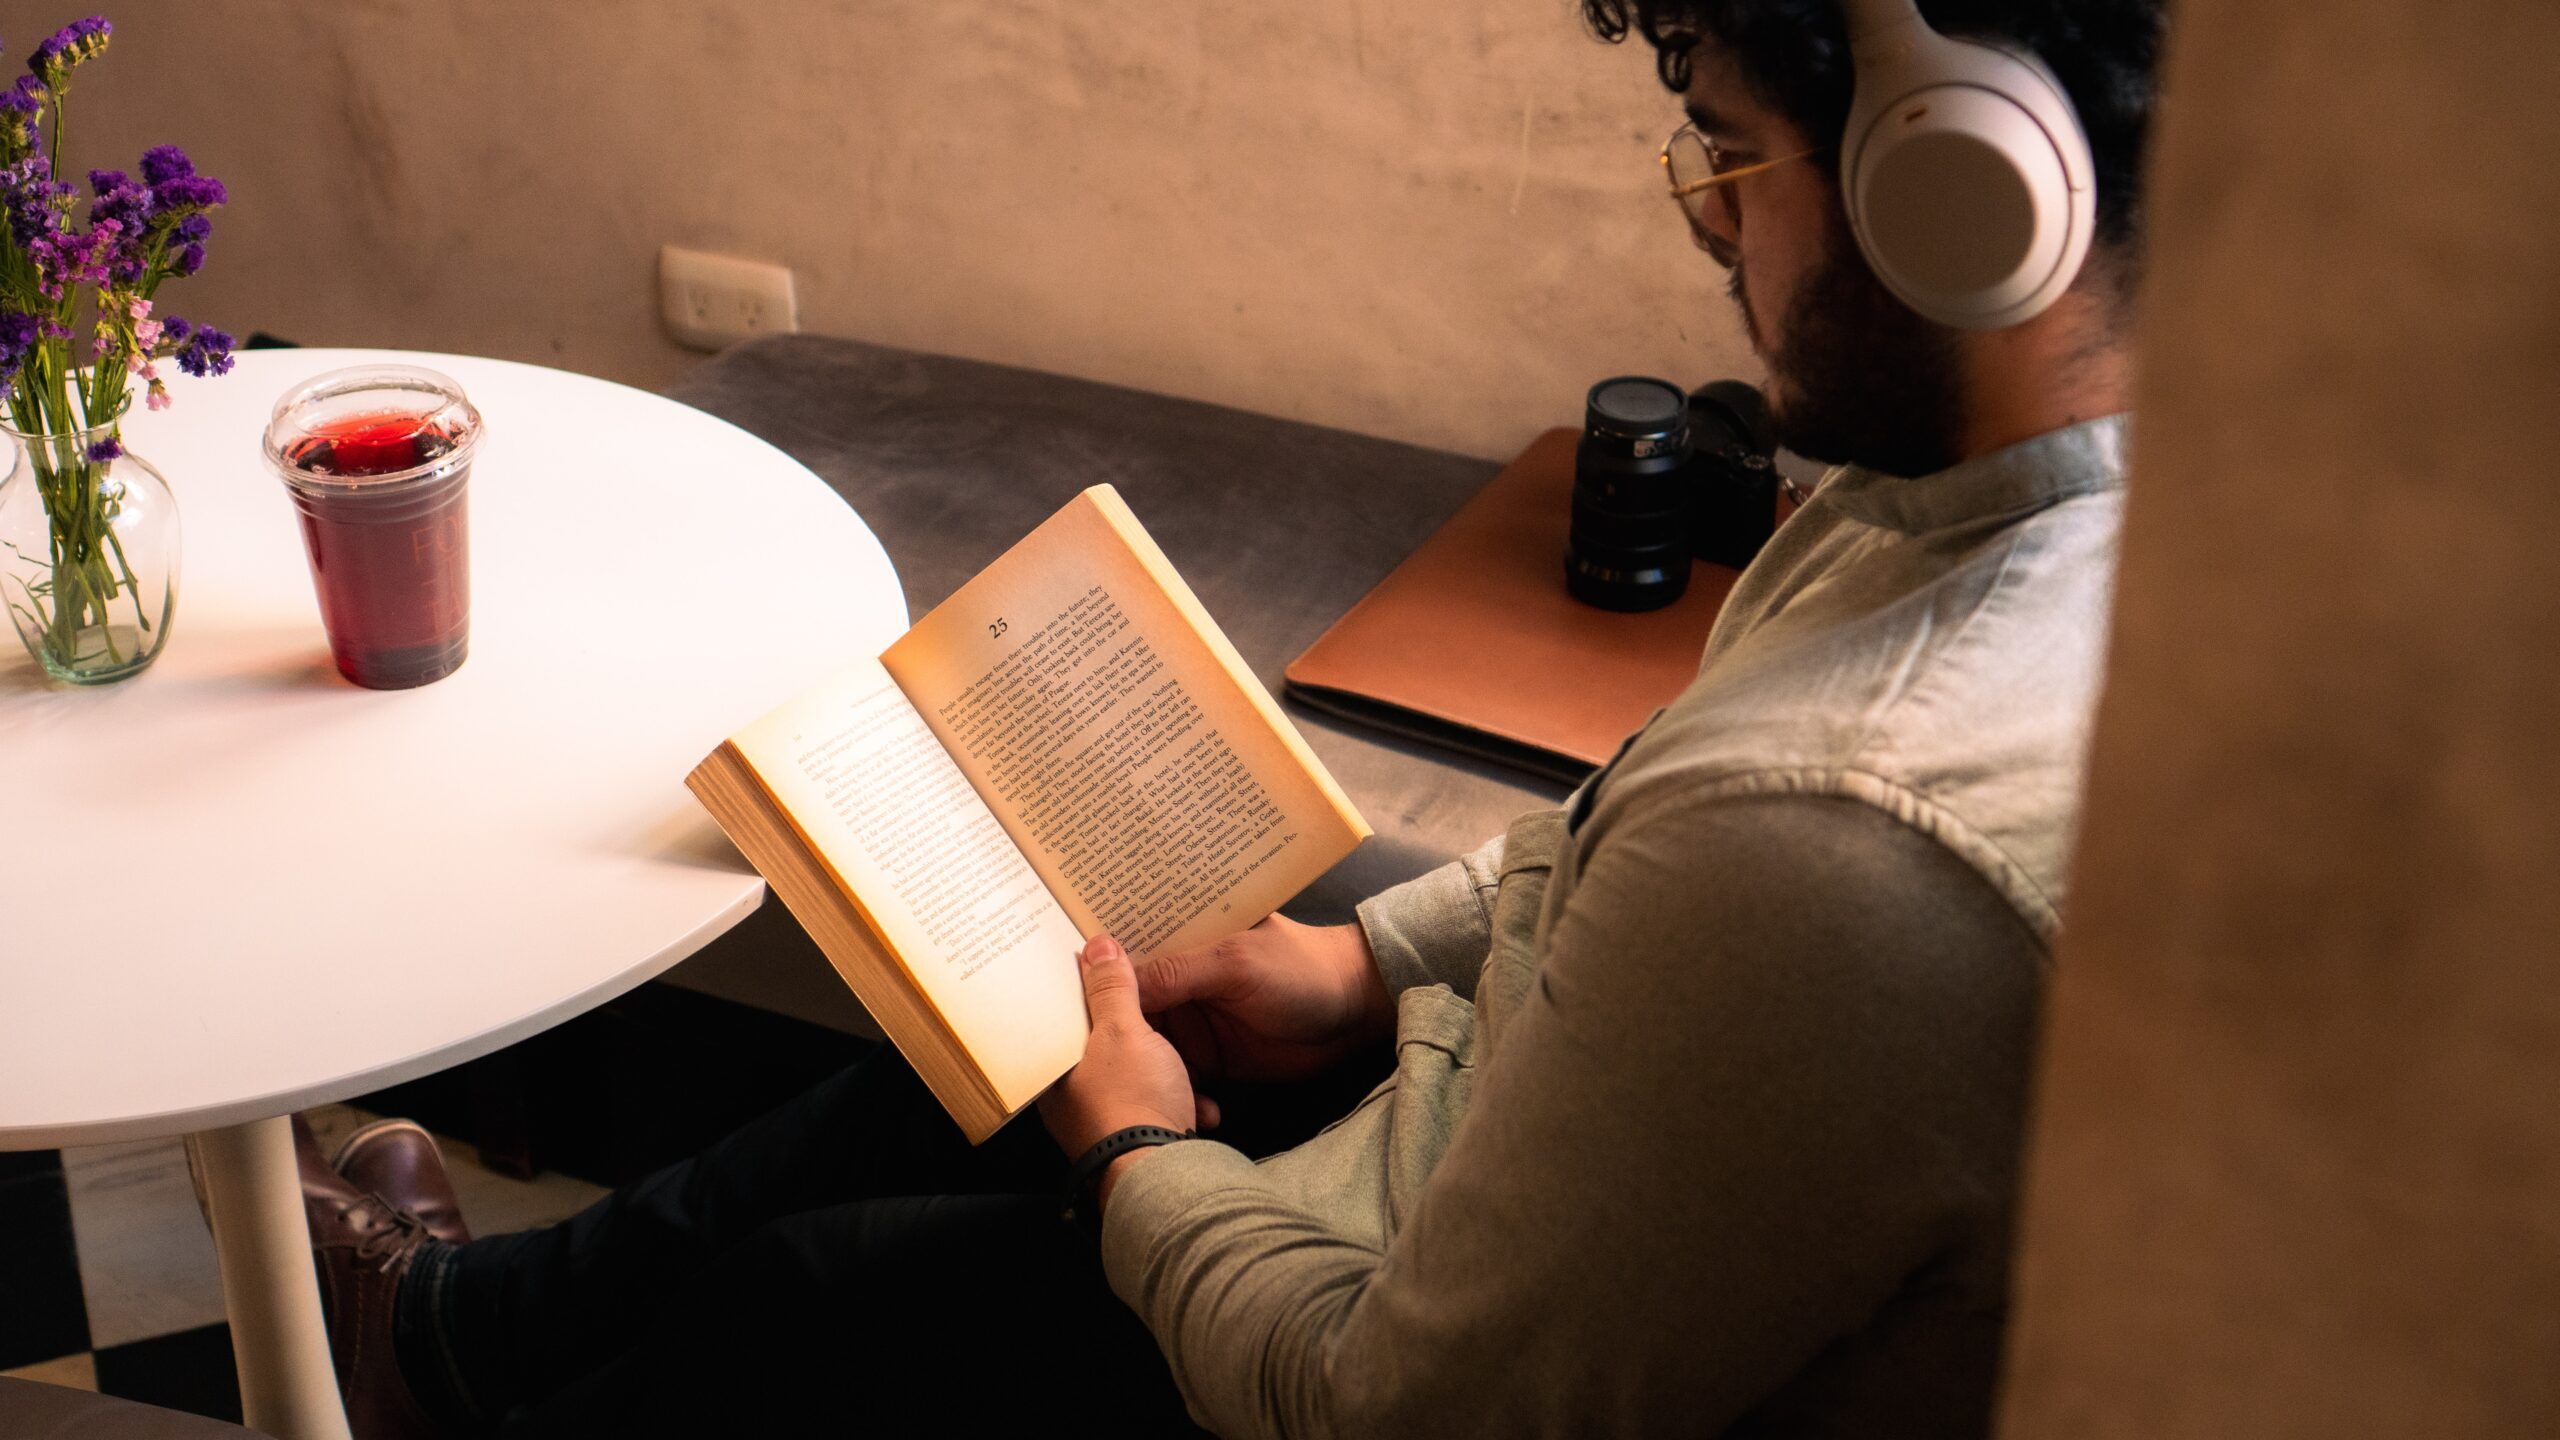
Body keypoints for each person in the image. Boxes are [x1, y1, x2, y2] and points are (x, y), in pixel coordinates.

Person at [297, 1, 2166, 1434]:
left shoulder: (1846, 833)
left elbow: (1373, 1409)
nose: (1710, 232)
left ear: (1950, 190)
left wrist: (1136, 1162)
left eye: (1726, 156)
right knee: (1008, 1033)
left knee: (826, 1293)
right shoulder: (2009, 499)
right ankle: (449, 1346)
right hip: (1488, 1110)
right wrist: (1362, 975)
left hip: (1382, 1326)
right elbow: (1623, 840)